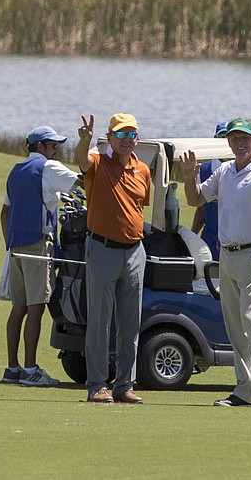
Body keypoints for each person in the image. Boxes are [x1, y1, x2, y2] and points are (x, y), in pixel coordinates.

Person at [182, 118, 251, 409]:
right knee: (235, 326)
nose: (239, 143)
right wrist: (190, 175)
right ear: (228, 141)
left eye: (245, 138)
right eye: (234, 138)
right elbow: (194, 199)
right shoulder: (225, 170)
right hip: (226, 255)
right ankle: (245, 389)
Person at [75, 113, 151, 404]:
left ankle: (124, 385)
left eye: (131, 134)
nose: (126, 140)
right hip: (102, 248)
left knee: (130, 323)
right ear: (109, 137)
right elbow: (82, 160)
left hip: (134, 251)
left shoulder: (142, 170)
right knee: (100, 322)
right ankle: (96, 384)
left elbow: (138, 207)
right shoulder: (97, 162)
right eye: (121, 134)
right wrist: (84, 141)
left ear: (137, 138)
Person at [1, 126, 81, 386]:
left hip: (16, 247)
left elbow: (5, 212)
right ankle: (30, 370)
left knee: (19, 308)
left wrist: (10, 244)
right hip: (38, 243)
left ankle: (12, 369)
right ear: (39, 147)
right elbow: (82, 181)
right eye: (52, 145)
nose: (56, 149)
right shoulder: (48, 168)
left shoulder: (16, 171)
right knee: (36, 308)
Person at [190, 120, 228, 260]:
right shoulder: (204, 169)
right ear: (215, 139)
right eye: (223, 136)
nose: (226, 140)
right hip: (209, 239)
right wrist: (192, 236)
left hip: (234, 241)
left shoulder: (241, 169)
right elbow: (200, 208)